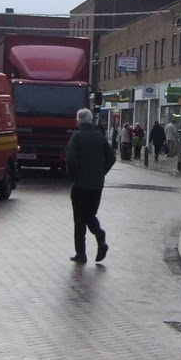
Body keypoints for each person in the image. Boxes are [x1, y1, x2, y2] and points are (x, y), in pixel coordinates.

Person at [65, 106, 115, 263]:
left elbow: (71, 159)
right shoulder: (100, 137)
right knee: (89, 214)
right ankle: (99, 237)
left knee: (79, 219)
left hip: (80, 184)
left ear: (78, 121)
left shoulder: (77, 137)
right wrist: (101, 172)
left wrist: (74, 175)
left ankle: (82, 253)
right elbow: (111, 158)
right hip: (96, 185)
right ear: (91, 120)